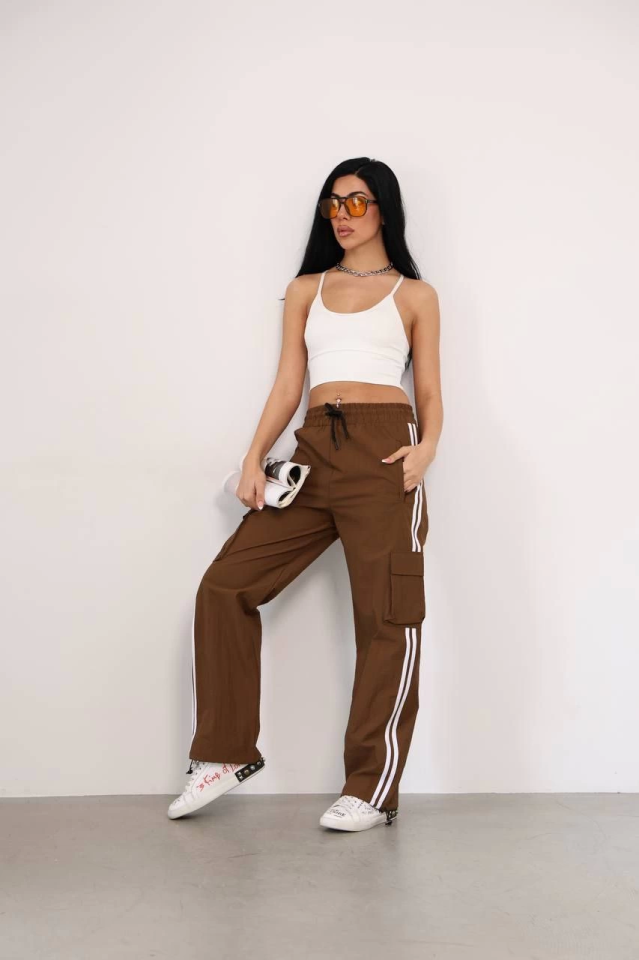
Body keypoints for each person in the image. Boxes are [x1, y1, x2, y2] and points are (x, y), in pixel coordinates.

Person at [168, 156, 442, 831]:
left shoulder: (415, 295)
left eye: (357, 202)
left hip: (385, 452)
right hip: (314, 449)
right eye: (333, 204)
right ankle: (223, 753)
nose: (343, 215)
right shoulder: (304, 290)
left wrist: (428, 445)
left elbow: (430, 388)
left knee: (387, 618)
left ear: (384, 208)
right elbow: (289, 383)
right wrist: (253, 456)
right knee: (225, 587)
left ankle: (371, 789)